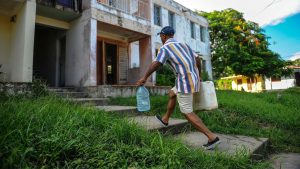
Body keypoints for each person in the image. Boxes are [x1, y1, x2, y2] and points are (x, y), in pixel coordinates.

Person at [136, 26, 221, 150]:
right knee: (172, 93)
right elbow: (197, 59)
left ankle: (212, 137)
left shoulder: (165, 48)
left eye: (161, 36)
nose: (161, 38)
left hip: (184, 81)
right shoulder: (183, 44)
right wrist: (199, 75)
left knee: (186, 112)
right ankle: (165, 119)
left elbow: (157, 64)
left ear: (164, 36)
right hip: (193, 79)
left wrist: (145, 77)